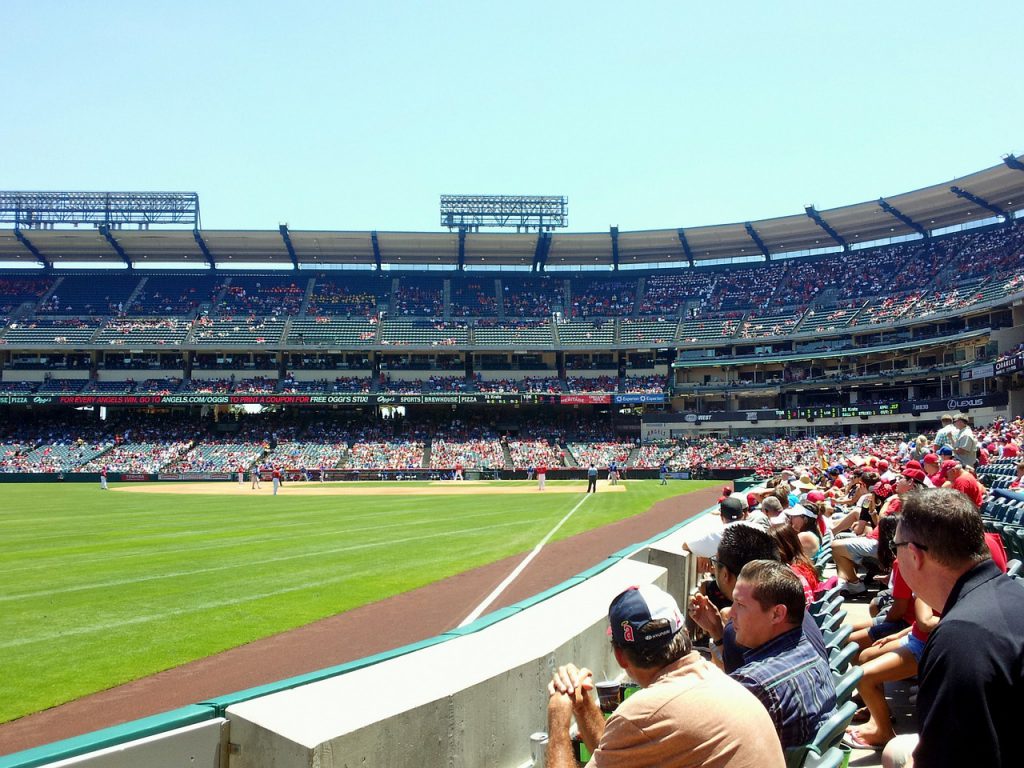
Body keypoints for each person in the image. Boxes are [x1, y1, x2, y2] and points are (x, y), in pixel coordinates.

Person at [546, 584, 784, 768]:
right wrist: (583, 705)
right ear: (685, 633)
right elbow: (619, 753)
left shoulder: (644, 714)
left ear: (620, 657)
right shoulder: (713, 676)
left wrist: (558, 718)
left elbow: (635, 731)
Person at [883, 488, 1024, 768]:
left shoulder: (958, 637)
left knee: (897, 753)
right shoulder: (1013, 592)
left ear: (914, 554)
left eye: (894, 547)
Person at [689, 524, 829, 674]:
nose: (732, 613)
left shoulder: (740, 629)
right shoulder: (793, 604)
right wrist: (717, 631)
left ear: (725, 574)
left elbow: (730, 685)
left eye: (716, 562)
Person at [728, 560, 837, 748]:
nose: (731, 613)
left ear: (777, 614)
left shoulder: (755, 686)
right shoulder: (812, 657)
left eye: (740, 605)